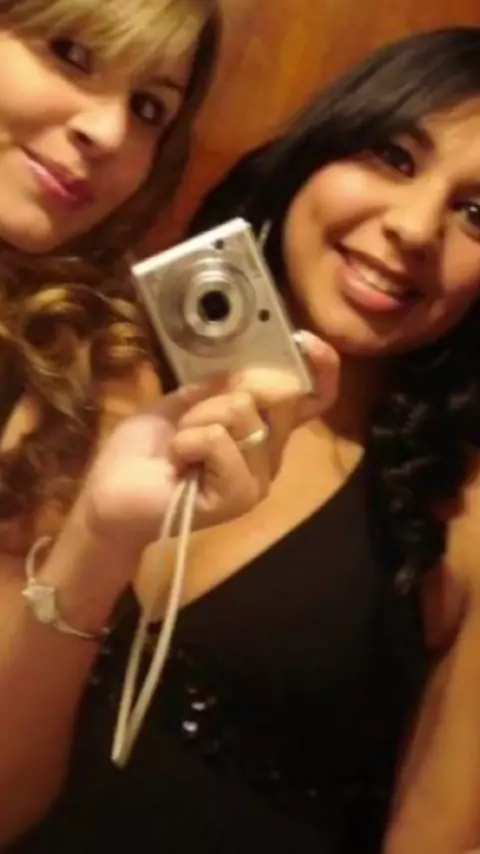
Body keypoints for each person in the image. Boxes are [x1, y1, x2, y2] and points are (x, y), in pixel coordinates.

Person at [11, 21, 480, 854]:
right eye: (393, 157)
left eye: (477, 214)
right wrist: (98, 541)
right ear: (318, 150)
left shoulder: (461, 520)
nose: (414, 228)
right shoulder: (75, 359)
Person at [0, 0, 338, 848]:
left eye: (150, 108)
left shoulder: (70, 370)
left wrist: (100, 537)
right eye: (71, 53)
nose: (109, 132)